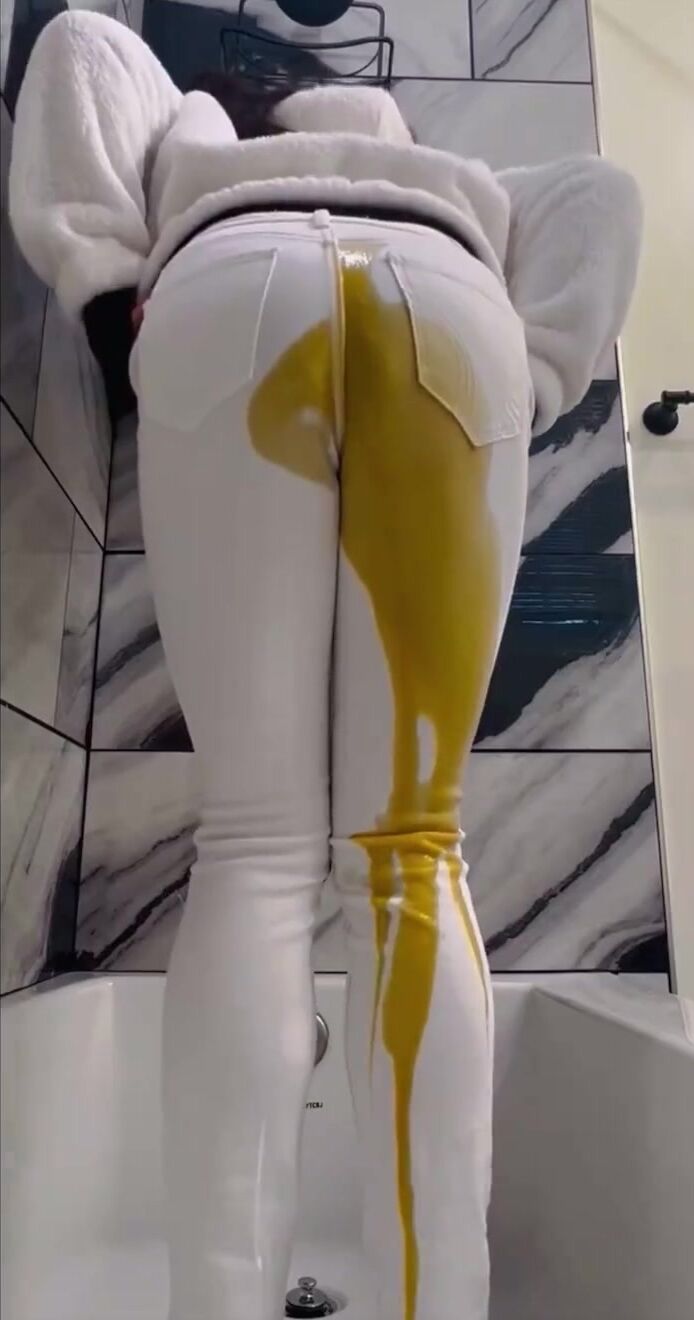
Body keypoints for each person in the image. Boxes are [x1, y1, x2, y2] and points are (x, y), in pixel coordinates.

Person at [9, 12, 641, 1320]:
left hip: (230, 293)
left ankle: (219, 1300)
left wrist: (113, 290)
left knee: (253, 847)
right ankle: (435, 1300)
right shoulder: (458, 178)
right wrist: (531, 370)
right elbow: (604, 196)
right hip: (446, 310)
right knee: (412, 849)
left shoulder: (201, 131)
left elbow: (78, 44)